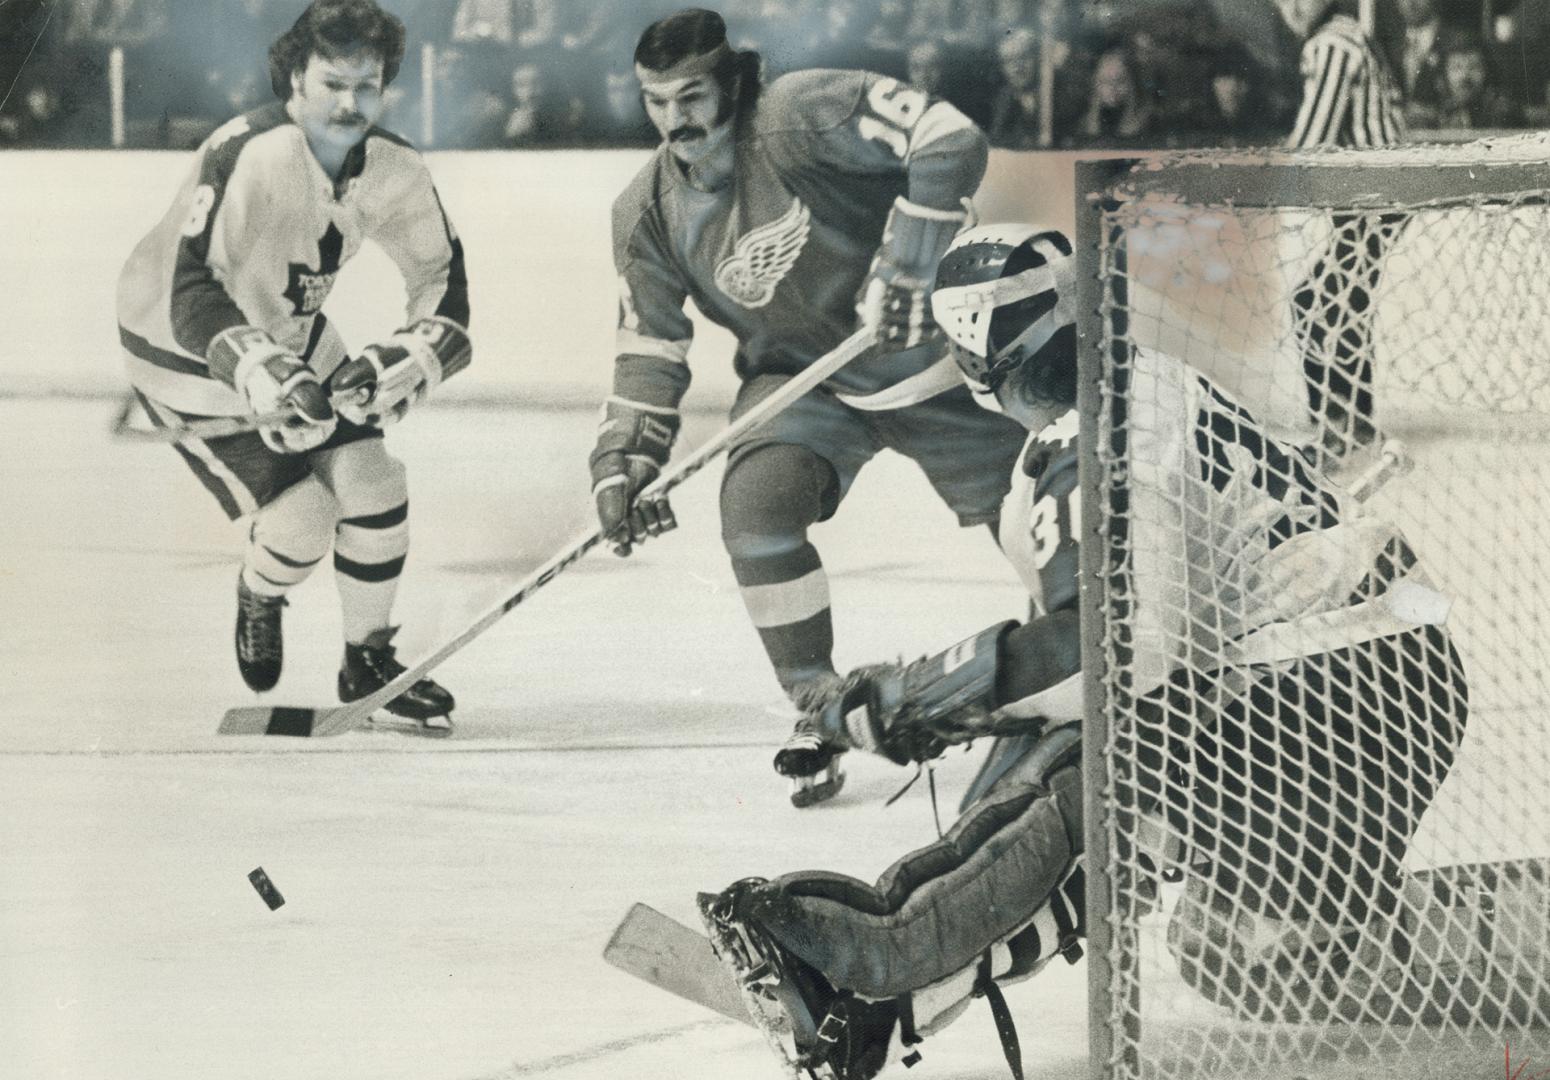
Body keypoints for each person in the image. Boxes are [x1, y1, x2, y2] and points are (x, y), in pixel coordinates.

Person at [702, 222, 1472, 1079]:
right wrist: (959, 748)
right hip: (1387, 693)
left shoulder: (1094, 441)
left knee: (1100, 772)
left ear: (977, 370)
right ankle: (906, 1004)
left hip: (1328, 700)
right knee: (1224, 952)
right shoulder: (1145, 387)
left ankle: (884, 953)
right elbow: (1094, 675)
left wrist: (918, 698)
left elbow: (1104, 658)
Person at [592, 8, 1029, 805]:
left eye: (689, 96)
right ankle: (818, 705)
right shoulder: (647, 212)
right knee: (756, 506)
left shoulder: (798, 113)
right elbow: (648, 349)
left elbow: (948, 137)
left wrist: (910, 263)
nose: (673, 120)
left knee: (1043, 530)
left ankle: (1087, 685)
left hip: (937, 372)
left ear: (730, 80)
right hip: (805, 381)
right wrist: (625, 459)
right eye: (656, 101)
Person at [116, 0, 472, 734]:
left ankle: (366, 659)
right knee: (305, 517)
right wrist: (265, 375)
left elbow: (444, 282)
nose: (350, 104)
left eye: (366, 86)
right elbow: (191, 293)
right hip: (184, 353)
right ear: (295, 82)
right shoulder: (253, 152)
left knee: (376, 480)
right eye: (333, 84)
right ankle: (261, 590)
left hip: (291, 331)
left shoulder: (394, 168)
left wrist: (398, 358)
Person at [1275, 0, 1409, 465]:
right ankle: (1357, 424)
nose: (1290, 8)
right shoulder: (1345, 33)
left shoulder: (1333, 41)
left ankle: (1336, 428)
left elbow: (1314, 136)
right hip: (1372, 198)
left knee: (1315, 305)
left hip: (1374, 198)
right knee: (1344, 305)